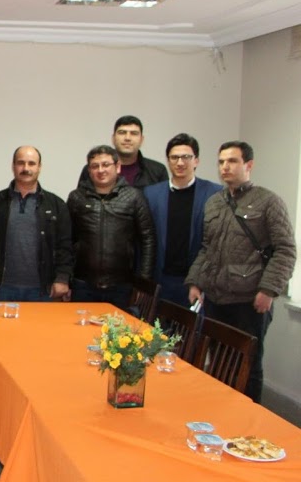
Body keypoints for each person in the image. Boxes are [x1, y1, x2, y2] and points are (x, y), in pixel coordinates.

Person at [186, 141, 296, 403]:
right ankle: (221, 413)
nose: (225, 167)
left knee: (248, 365)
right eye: (221, 161)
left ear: (248, 165)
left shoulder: (269, 202)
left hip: (250, 300)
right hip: (216, 298)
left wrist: (268, 289)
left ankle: (249, 423)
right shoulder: (214, 203)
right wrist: (194, 282)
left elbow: (286, 250)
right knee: (218, 361)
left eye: (232, 161)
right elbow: (207, 248)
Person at [68, 145, 155, 310]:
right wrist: (66, 278)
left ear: (117, 167)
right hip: (83, 285)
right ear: (89, 170)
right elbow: (67, 240)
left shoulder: (134, 197)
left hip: (122, 286)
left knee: (119, 334)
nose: (101, 170)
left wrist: (144, 281)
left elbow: (148, 239)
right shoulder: (76, 197)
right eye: (95, 166)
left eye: (106, 165)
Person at [0, 146, 72, 302]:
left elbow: (65, 245)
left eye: (31, 163)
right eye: (21, 163)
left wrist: (62, 279)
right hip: (1, 288)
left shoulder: (56, 204)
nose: (26, 168)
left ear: (39, 167)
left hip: (43, 290)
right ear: (13, 166)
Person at [143, 133, 222, 306]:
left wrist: (200, 280)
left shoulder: (214, 193)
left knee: (191, 332)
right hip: (161, 279)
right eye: (174, 157)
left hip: (195, 281)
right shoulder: (151, 194)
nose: (180, 163)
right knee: (156, 331)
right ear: (168, 160)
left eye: (186, 157)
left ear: (196, 161)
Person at [76, 115, 167, 190]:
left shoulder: (157, 171)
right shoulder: (94, 169)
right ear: (113, 138)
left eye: (134, 133)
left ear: (141, 140)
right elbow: (80, 202)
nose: (127, 138)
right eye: (122, 132)